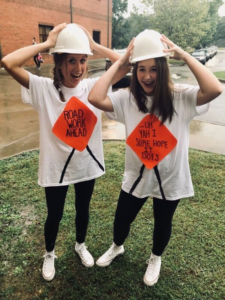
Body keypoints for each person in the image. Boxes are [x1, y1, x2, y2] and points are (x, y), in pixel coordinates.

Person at [88, 30, 222, 286]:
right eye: (141, 69)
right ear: (134, 71)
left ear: (164, 68)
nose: (147, 76)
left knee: (163, 222)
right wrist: (122, 60)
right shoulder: (128, 99)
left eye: (154, 69)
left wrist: (182, 53)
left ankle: (155, 257)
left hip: (171, 179)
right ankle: (117, 247)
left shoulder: (181, 97)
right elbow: (95, 97)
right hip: (136, 178)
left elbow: (215, 88)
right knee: (121, 219)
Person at [1, 23, 129, 281]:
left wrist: (94, 47)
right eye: (71, 60)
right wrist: (48, 44)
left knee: (83, 210)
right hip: (55, 168)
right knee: (55, 214)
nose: (79, 68)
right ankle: (49, 253)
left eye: (83, 60)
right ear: (58, 62)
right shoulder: (42, 88)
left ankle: (80, 245)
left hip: (85, 165)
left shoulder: (94, 86)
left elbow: (126, 66)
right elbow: (8, 62)